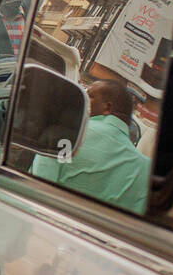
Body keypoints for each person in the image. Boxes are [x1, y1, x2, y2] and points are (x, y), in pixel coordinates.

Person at [31, 79, 150, 215]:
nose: (82, 99)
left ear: (107, 108)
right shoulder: (146, 170)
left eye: (89, 95)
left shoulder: (65, 132)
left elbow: (39, 193)